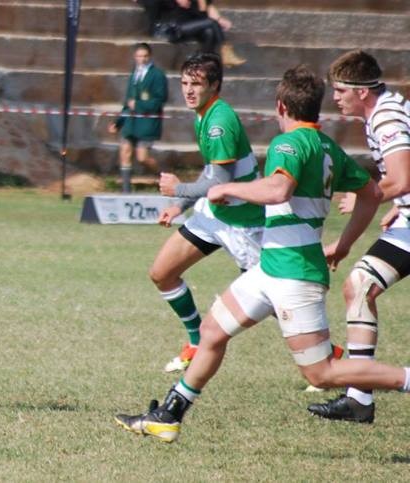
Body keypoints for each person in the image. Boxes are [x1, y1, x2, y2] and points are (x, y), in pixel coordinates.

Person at [115, 65, 410, 444]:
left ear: (281, 106)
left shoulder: (287, 144)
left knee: (321, 373)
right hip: (271, 267)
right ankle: (169, 415)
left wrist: (228, 190)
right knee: (212, 331)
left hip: (294, 275)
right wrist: (344, 244)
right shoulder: (328, 148)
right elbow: (371, 194)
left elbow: (277, 190)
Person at [307, 50, 410, 423]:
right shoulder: (383, 111)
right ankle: (359, 397)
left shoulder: (386, 117)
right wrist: (400, 203)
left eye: (341, 90)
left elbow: (401, 178)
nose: (335, 98)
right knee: (359, 286)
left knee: (360, 285)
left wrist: (368, 194)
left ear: (362, 91)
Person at [150, 52, 264, 373]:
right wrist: (180, 205)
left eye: (196, 84)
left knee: (275, 299)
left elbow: (221, 182)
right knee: (162, 273)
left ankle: (331, 358)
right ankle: (196, 342)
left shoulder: (219, 122)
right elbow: (212, 172)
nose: (188, 90)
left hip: (242, 224)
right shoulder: (204, 114)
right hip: (212, 215)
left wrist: (179, 189)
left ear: (214, 86)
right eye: (185, 83)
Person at [108, 42, 168, 193]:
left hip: (147, 123)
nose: (142, 59)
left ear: (150, 56)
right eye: (139, 56)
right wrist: (118, 122)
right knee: (125, 152)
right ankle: (126, 191)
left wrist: (140, 105)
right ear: (135, 57)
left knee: (143, 157)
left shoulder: (157, 75)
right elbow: (128, 102)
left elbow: (160, 100)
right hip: (131, 122)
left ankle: (166, 178)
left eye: (145, 56)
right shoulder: (134, 75)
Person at [145, 0, 245, 67]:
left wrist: (219, 19)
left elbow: (207, 11)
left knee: (209, 32)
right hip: (172, 27)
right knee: (212, 23)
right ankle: (226, 50)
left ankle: (202, 64)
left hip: (191, 26)